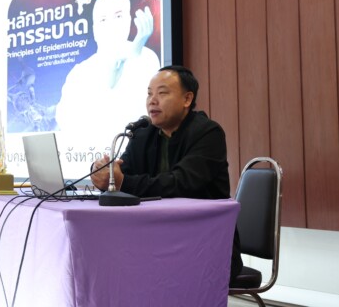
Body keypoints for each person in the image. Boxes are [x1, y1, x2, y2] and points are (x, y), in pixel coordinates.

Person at [90, 65, 243, 283]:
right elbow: (122, 173)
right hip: (156, 239)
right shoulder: (142, 134)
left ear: (187, 99)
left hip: (205, 243)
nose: (152, 101)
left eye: (162, 93)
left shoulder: (208, 133)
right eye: (149, 94)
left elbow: (179, 184)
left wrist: (122, 181)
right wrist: (104, 175)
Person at [55, 0, 160, 134]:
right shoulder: (79, 74)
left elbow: (151, 116)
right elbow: (66, 122)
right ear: (94, 30)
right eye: (103, 19)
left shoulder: (146, 58)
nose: (111, 25)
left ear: (129, 20)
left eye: (118, 16)